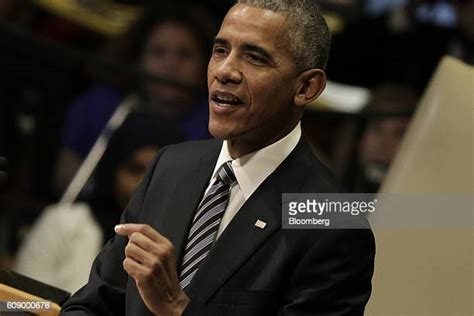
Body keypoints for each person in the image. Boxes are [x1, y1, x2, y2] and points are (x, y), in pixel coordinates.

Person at [61, 1, 375, 315]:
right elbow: (95, 303)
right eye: (221, 50)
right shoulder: (169, 166)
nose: (225, 71)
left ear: (306, 87)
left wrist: (178, 308)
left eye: (254, 57)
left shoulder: (334, 225)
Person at [54, 4, 215, 192]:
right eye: (158, 52)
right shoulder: (98, 106)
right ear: (138, 59)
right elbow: (63, 177)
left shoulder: (217, 127)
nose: (170, 64)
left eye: (185, 55)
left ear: (208, 63)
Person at [14, 114, 183, 293]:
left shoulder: (183, 246)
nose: (141, 186)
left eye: (156, 175)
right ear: (112, 168)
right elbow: (22, 305)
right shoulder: (63, 223)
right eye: (134, 170)